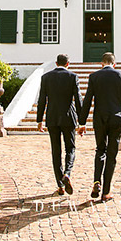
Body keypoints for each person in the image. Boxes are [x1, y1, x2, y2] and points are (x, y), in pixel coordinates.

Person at [78, 52, 121, 202]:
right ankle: (106, 191)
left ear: (102, 64)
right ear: (114, 64)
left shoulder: (94, 77)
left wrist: (82, 123)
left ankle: (97, 181)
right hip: (116, 119)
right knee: (112, 155)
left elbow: (87, 101)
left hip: (100, 119)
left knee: (100, 150)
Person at [36, 54, 82, 196]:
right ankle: (67, 173)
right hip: (69, 117)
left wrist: (39, 120)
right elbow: (78, 100)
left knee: (56, 151)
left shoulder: (46, 77)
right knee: (70, 148)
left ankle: (60, 186)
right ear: (68, 64)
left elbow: (42, 100)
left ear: (56, 63)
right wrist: (82, 121)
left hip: (52, 118)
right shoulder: (73, 76)